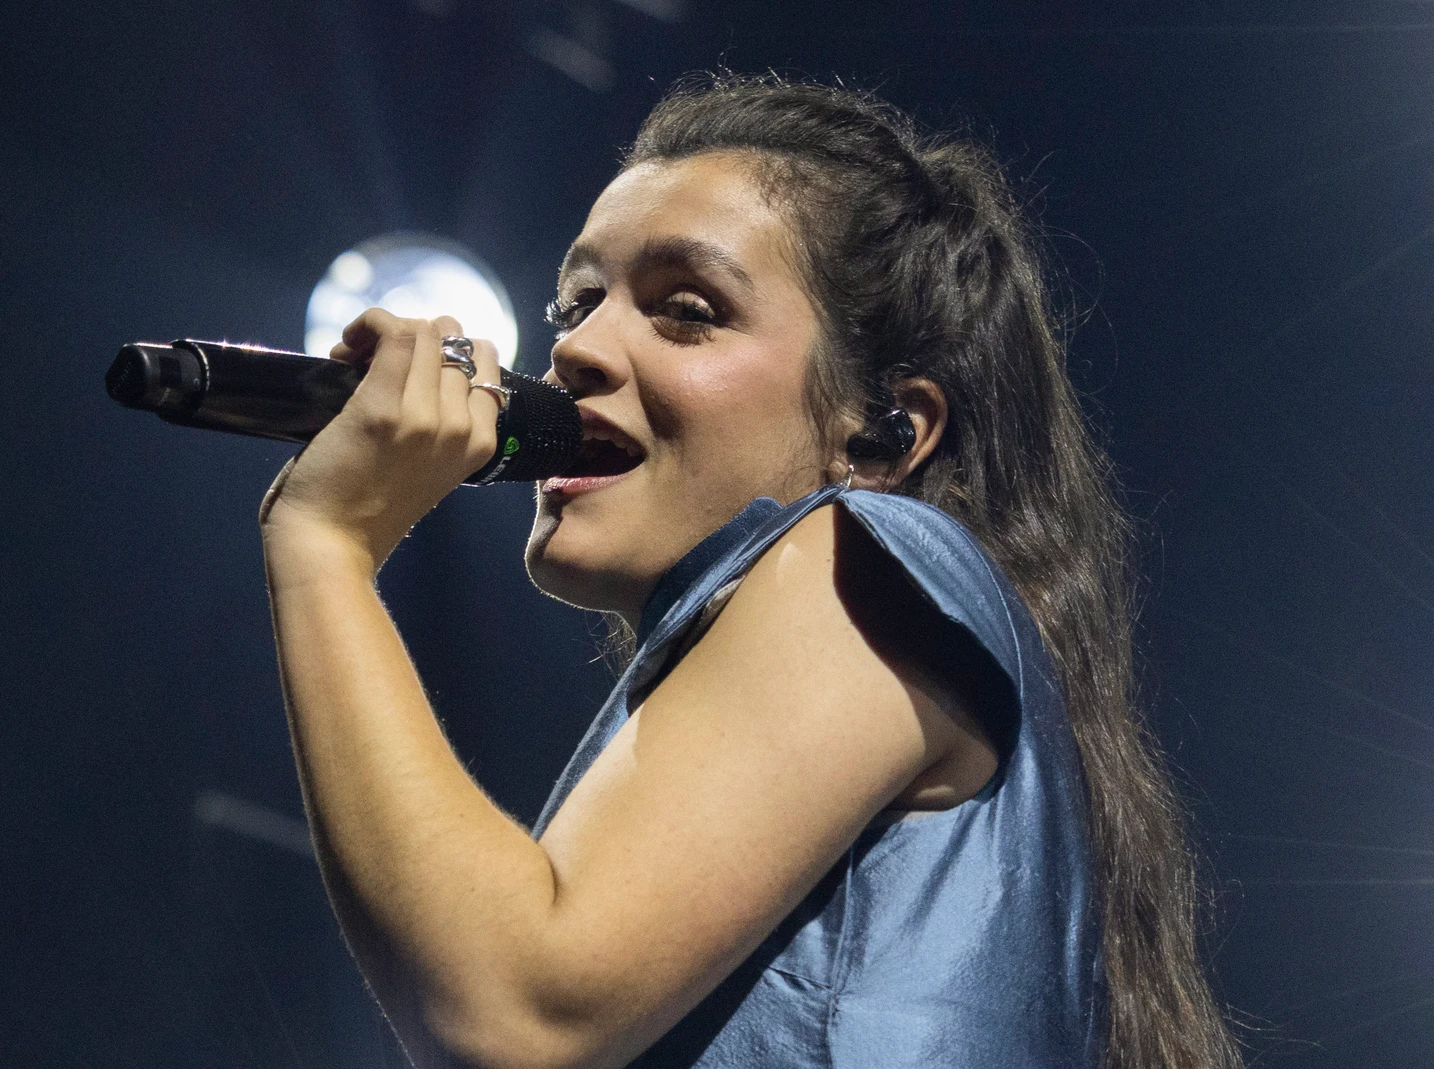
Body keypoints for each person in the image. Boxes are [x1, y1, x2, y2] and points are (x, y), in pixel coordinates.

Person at [257, 75, 1241, 1069]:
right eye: (576, 303)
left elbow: (519, 1008)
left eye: (685, 310)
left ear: (883, 433)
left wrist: (325, 549)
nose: (576, 350)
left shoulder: (881, 546)